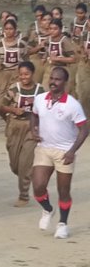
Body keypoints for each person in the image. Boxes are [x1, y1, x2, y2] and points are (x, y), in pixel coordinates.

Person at [32, 66, 89, 239]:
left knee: (63, 190)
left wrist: (72, 151)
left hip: (64, 152)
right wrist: (33, 130)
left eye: (57, 79)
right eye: (51, 78)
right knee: (38, 186)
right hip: (44, 148)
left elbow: (84, 130)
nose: (53, 82)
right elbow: (33, 115)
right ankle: (48, 209)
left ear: (65, 82)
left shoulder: (73, 105)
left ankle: (63, 223)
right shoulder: (40, 99)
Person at [0, 61, 42, 207]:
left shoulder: (40, 90)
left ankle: (23, 195)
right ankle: (26, 173)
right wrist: (13, 110)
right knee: (15, 164)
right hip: (15, 127)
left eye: (27, 74)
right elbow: (1, 105)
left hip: (31, 128)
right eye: (21, 74)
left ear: (32, 74)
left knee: (25, 162)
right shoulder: (13, 89)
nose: (24, 77)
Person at [43, 17, 78, 96]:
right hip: (50, 69)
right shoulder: (49, 39)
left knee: (62, 93)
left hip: (63, 70)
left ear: (61, 29)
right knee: (46, 91)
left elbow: (73, 59)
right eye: (50, 29)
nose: (52, 31)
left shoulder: (65, 40)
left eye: (55, 29)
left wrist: (57, 58)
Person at [0, 18, 26, 99]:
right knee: (0, 98)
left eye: (11, 29)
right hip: (3, 73)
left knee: (15, 95)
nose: (8, 31)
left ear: (15, 30)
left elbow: (25, 58)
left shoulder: (21, 44)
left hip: (17, 73)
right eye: (6, 29)